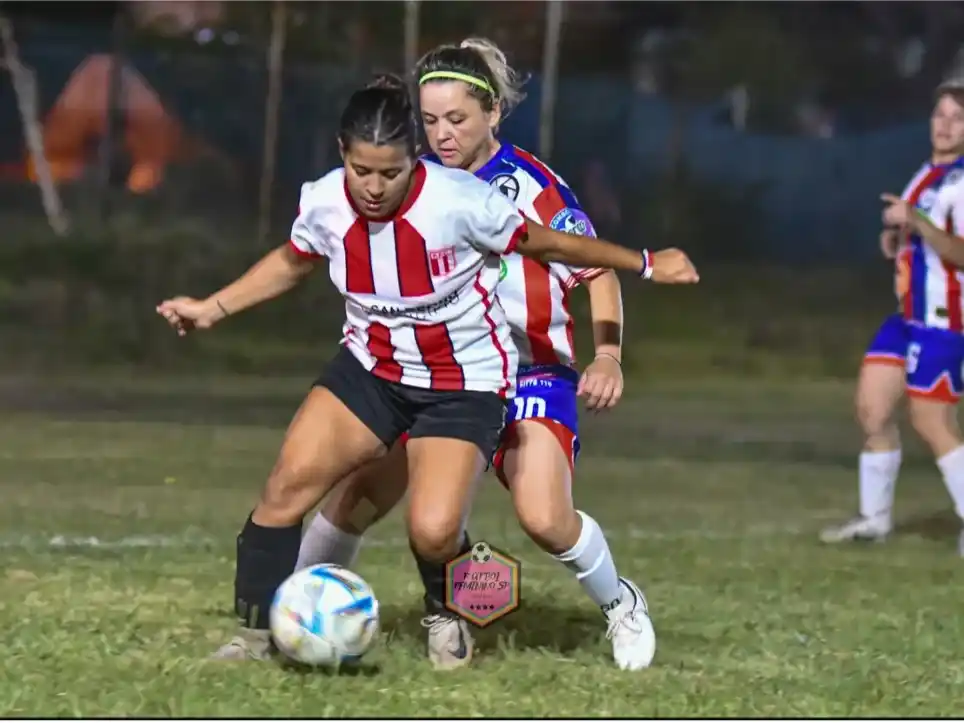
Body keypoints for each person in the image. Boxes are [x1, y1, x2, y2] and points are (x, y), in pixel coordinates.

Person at [156, 74, 699, 661]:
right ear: (343, 154)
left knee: (437, 530)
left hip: (461, 383)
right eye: (362, 171)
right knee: (287, 491)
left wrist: (644, 264)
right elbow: (294, 260)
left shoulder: (459, 201)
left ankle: (455, 610)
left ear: (411, 161)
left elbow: (550, 245)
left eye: (389, 173)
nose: (373, 187)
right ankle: (262, 635)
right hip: (371, 370)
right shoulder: (324, 200)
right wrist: (211, 307)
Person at [295, 39, 653, 672]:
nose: (442, 135)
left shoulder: (534, 190)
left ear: (492, 113)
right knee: (356, 496)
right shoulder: (412, 180)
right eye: (429, 122)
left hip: (527, 371)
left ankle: (621, 603)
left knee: (544, 518)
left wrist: (609, 356)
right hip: (437, 371)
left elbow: (598, 272)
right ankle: (294, 614)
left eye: (456, 120)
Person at [821, 79, 964, 553]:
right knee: (872, 409)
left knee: (931, 420)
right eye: (939, 114)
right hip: (907, 316)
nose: (944, 125)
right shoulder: (929, 173)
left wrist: (917, 223)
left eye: (956, 118)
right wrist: (900, 242)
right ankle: (874, 520)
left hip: (944, 318)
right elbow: (922, 235)